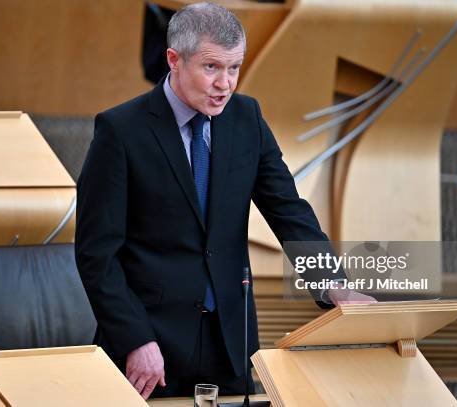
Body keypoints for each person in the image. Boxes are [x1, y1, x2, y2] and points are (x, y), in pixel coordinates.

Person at [75, 2, 374, 400]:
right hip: (150, 347)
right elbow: (97, 253)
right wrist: (134, 338)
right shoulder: (120, 131)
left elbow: (288, 210)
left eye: (234, 68)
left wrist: (333, 284)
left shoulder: (246, 118)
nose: (226, 84)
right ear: (174, 60)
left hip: (230, 342)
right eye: (212, 67)